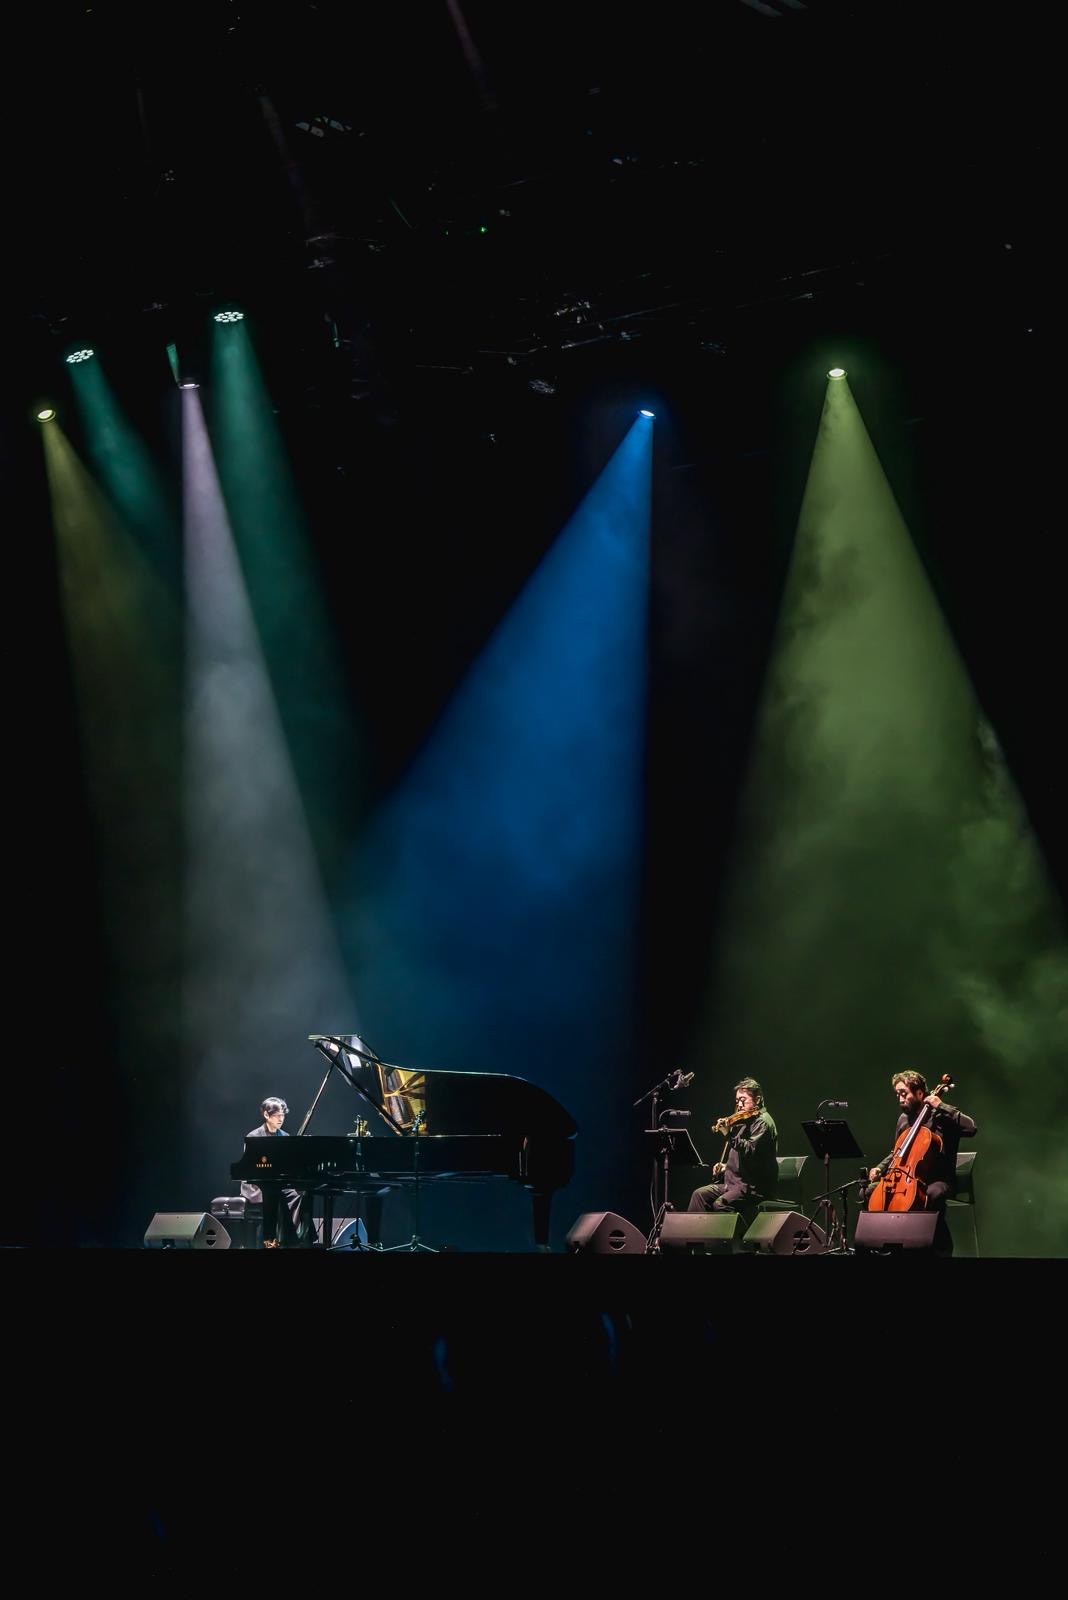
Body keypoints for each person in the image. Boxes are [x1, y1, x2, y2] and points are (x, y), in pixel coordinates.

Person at [866, 1071, 977, 1255]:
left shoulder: (941, 1116)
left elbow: (971, 1128)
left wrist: (941, 1105)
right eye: (898, 1094)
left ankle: (939, 1248)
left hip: (939, 1179)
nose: (900, 1099)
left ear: (919, 1093)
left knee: (932, 1195)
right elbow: (897, 1152)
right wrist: (880, 1168)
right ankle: (887, 1244)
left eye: (904, 1093)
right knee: (869, 1191)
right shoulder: (904, 1120)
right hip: (907, 1179)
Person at [688, 1078, 778, 1220]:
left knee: (720, 1204)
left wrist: (728, 1134)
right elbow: (741, 1156)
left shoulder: (762, 1122)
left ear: (757, 1099)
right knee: (699, 1195)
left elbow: (749, 1150)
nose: (739, 1105)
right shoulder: (745, 1120)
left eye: (743, 1100)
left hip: (753, 1187)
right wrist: (726, 1167)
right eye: (737, 1101)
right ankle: (695, 1233)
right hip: (735, 1183)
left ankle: (739, 1233)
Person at [240, 1097, 307, 1247]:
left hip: (277, 1182)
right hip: (256, 1184)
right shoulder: (253, 1137)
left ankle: (298, 1238)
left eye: (283, 1115)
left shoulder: (285, 1136)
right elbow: (249, 1167)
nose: (281, 1119)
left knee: (298, 1196)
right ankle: (269, 1240)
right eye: (277, 1115)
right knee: (273, 1194)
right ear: (266, 1115)